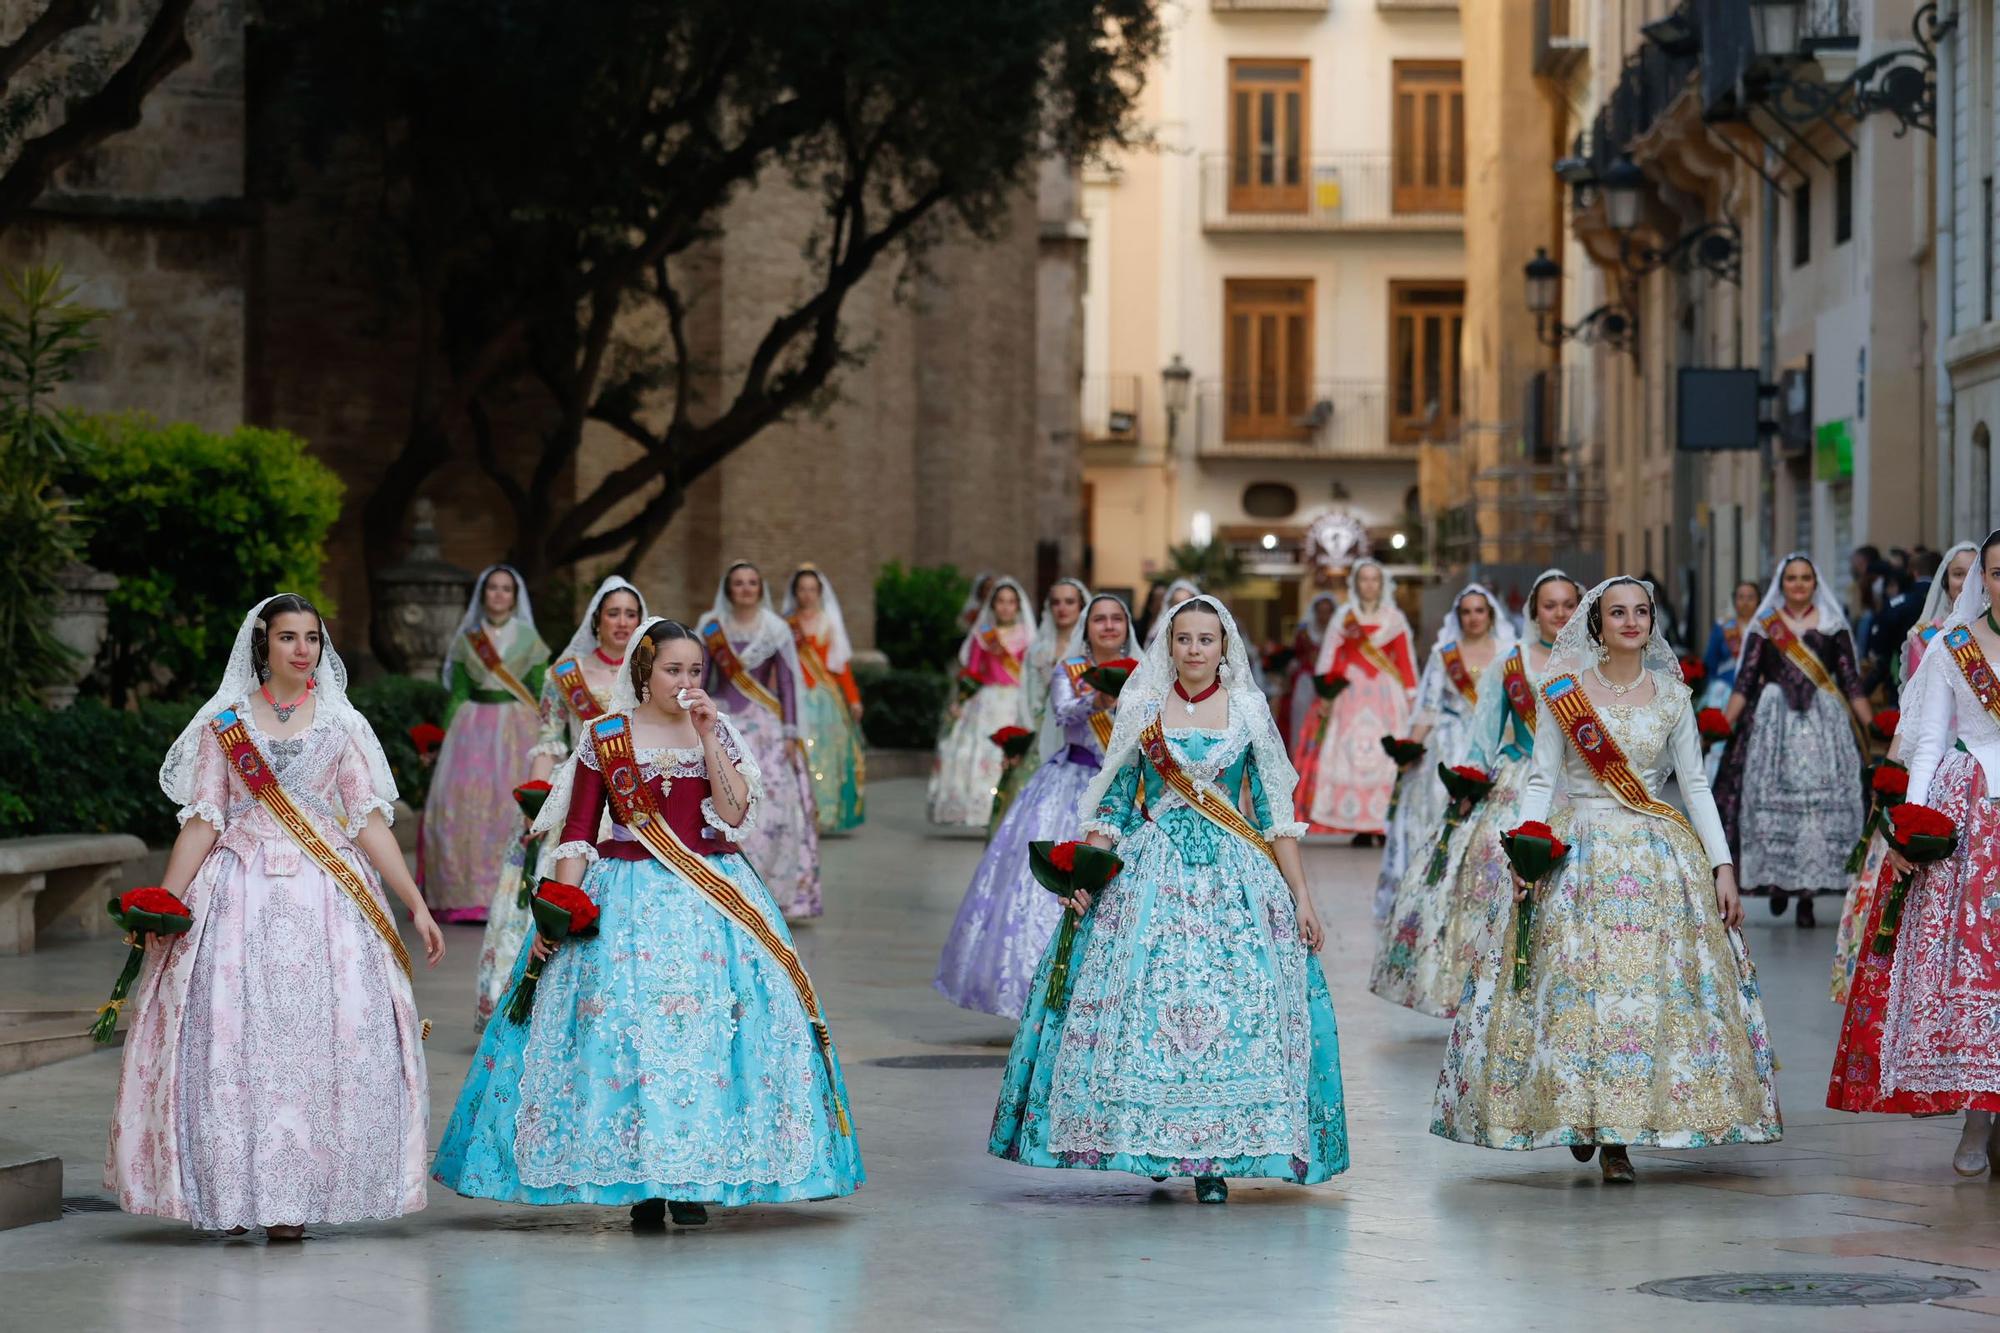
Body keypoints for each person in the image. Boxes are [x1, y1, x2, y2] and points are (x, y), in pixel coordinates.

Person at [432, 619, 863, 1227]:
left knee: (712, 1036)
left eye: (695, 671)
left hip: (712, 899)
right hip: (625, 896)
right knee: (626, 1034)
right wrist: (561, 911)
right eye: (672, 670)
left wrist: (711, 737)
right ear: (644, 672)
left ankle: (692, 1179)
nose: (686, 682)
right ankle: (642, 1184)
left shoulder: (718, 729)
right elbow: (580, 833)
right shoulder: (605, 737)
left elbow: (736, 814)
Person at [988, 595, 1348, 1203]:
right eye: (1184, 639)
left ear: (1224, 647)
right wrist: (1085, 868)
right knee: (1147, 1010)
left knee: (1235, 1014)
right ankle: (1154, 1141)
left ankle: (1212, 1161)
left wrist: (1302, 898)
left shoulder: (1250, 711)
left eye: (1206, 640)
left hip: (1235, 880)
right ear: (1169, 645)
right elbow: (1114, 800)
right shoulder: (1144, 706)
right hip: (1151, 874)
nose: (1195, 650)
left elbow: (1276, 815)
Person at [107, 594, 445, 1238]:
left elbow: (368, 824)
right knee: (231, 1039)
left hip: (329, 897)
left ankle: (295, 1201)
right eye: (288, 637)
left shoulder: (343, 726)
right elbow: (203, 819)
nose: (301, 650)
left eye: (312, 638)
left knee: (318, 1042)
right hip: (238, 895)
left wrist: (415, 902)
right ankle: (232, 1191)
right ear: (263, 646)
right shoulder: (226, 724)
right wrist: (166, 902)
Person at [1431, 577, 1780, 1182]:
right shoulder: (1562, 692)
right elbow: (1541, 779)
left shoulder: (1673, 696)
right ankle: (1579, 1110)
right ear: (1596, 624)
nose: (1630, 621)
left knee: (1645, 992)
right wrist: (1527, 850)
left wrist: (1722, 865)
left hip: (1657, 852)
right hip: (1580, 849)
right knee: (1576, 988)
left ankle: (1619, 1134)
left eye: (1641, 611)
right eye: (1617, 612)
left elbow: (1695, 786)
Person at [1829, 532, 2000, 1175]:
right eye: (1999, 573)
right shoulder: (1954, 646)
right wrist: (1909, 829)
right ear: (1982, 579)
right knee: (1975, 971)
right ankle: (1977, 1119)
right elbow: (1928, 743)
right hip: (1971, 816)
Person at [1371, 571, 1577, 1018]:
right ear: (1533, 612)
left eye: (1569, 604)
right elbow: (1483, 741)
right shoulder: (1512, 664)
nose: (1560, 614)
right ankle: (1493, 986)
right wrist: (1468, 788)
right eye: (1550, 605)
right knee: (1488, 874)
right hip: (1519, 781)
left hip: (1580, 790)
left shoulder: (1594, 664)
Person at [935, 593, 1137, 1018]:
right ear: (1087, 628)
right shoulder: (1072, 670)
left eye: (1116, 619)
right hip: (1073, 783)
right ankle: (1047, 990)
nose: (1108, 626)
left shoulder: (1147, 674)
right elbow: (1063, 715)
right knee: (1051, 890)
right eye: (1099, 619)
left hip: (1127, 789)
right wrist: (1097, 701)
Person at [473, 575, 645, 1028]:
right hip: (577, 793)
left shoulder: (651, 673)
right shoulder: (564, 675)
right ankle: (532, 1001)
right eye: (614, 613)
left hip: (631, 800)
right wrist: (536, 803)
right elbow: (549, 740)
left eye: (631, 614)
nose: (623, 623)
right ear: (596, 620)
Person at [1830, 538, 1982, 1004]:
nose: (1967, 582)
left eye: (1973, 573)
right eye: (1960, 574)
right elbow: (1919, 720)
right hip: (1946, 774)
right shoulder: (1933, 638)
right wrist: (1899, 783)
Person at [1714, 553, 1873, 928]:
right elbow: (1746, 681)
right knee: (1769, 807)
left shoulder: (1833, 625)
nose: (1799, 584)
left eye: (1805, 578)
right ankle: (1779, 885)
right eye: (1792, 579)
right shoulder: (1766, 626)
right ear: (1781, 584)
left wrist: (1875, 723)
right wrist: (1719, 726)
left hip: (1825, 726)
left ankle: (1807, 897)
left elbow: (1850, 680)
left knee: (1819, 810)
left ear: (1815, 583)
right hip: (1773, 728)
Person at [1372, 583, 1513, 921]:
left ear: (1490, 614)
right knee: (1438, 811)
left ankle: (1487, 890)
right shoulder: (1444, 654)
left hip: (1496, 742)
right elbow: (1429, 707)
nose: (1473, 617)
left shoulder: (1510, 652)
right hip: (1450, 744)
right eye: (1466, 611)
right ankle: (1439, 889)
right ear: (1458, 616)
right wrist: (1410, 748)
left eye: (1480, 610)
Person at [424, 565, 551, 923]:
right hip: (472, 730)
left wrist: (550, 738)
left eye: (505, 589)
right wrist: (444, 738)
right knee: (465, 805)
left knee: (508, 806)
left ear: (515, 596)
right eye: (492, 588)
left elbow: (542, 692)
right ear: (483, 595)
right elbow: (458, 694)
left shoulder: (530, 640)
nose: (498, 595)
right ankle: (466, 897)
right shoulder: (469, 641)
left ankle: (510, 893)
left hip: (518, 730)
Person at [698, 561, 822, 920]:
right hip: (724, 723)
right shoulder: (711, 626)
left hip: (766, 729)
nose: (746, 588)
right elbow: (703, 678)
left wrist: (790, 733)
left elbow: (786, 683)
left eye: (752, 582)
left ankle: (771, 890)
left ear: (761, 587)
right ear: (728, 588)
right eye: (738, 583)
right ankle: (728, 887)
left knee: (773, 810)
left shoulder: (776, 629)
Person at [1295, 559, 1418, 844]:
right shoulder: (1343, 618)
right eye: (1364, 579)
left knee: (1386, 755)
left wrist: (1412, 696)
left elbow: (1406, 661)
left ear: (1382, 584)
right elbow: (1328, 657)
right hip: (1349, 695)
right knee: (1349, 752)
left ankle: (1382, 821)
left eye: (1375, 579)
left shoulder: (1394, 618)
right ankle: (1359, 825)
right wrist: (1326, 691)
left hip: (1386, 696)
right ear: (1356, 583)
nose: (1370, 585)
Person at [929, 577, 1036, 828]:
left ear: (1018, 606)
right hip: (985, 702)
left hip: (1014, 701)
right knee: (979, 752)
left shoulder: (1028, 637)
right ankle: (979, 810)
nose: (1006, 607)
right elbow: (973, 671)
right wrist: (960, 700)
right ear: (992, 605)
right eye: (1001, 601)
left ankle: (1007, 808)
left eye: (1011, 602)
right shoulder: (984, 635)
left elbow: (1030, 674)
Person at [993, 579, 1089, 832]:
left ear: (1081, 606)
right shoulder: (1038, 651)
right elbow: (1027, 696)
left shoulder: (1089, 651)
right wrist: (1020, 738)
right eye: (1056, 602)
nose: (1062, 608)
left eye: (1070, 602)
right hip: (1040, 731)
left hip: (1079, 734)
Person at [784, 564, 867, 834]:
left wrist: (853, 699)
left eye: (812, 589)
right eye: (802, 589)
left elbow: (841, 667)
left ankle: (824, 812)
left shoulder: (828, 623)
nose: (807, 595)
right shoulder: (786, 625)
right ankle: (798, 812)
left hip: (824, 699)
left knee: (825, 756)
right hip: (794, 696)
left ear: (819, 592)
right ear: (795, 592)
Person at [1279, 593, 1339, 752]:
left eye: (1328, 612)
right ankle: (1300, 756)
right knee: (1302, 715)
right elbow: (1297, 655)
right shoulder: (1305, 633)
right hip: (1307, 680)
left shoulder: (1339, 634)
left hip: (1332, 681)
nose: (1324, 616)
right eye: (1321, 611)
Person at [1701, 581, 1761, 710]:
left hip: (1758, 689)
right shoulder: (1722, 628)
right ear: (1734, 601)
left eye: (1750, 598)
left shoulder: (1764, 630)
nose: (1745, 602)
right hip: (1726, 689)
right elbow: (1711, 662)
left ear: (1759, 601)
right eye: (1741, 597)